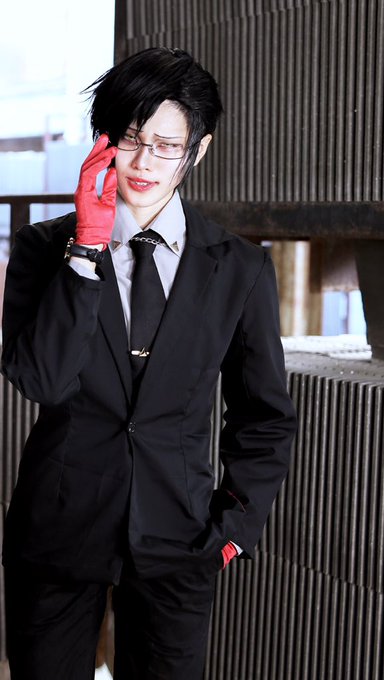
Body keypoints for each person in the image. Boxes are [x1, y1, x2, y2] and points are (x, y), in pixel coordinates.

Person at [1, 47, 297, 680]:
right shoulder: (42, 249)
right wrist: (86, 248)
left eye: (166, 146)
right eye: (130, 139)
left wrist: (234, 531)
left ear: (198, 151)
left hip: (181, 540)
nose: (143, 162)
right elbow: (42, 379)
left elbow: (264, 415)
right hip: (58, 532)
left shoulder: (240, 268)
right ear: (103, 141)